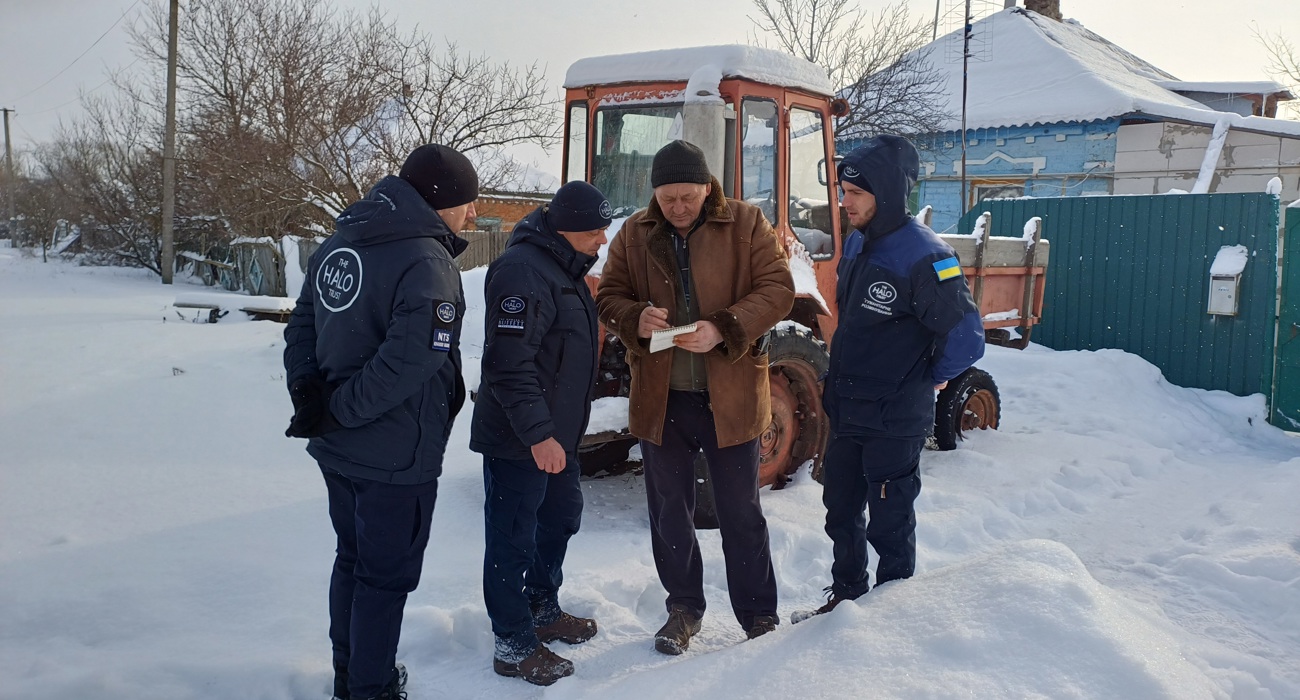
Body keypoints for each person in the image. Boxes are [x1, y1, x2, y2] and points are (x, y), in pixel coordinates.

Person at [282, 143, 477, 700]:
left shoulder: (341, 241)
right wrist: (335, 409)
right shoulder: (425, 259)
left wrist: (312, 397)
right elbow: (412, 359)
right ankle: (370, 689)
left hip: (339, 449)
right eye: (465, 201)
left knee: (353, 560)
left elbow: (302, 325)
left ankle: (351, 677)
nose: (471, 213)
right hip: (394, 456)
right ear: (439, 201)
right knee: (383, 579)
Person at [596, 139, 796, 653]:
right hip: (663, 401)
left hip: (730, 397)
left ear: (708, 188)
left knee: (740, 512)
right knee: (669, 513)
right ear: (654, 195)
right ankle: (683, 609)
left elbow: (778, 290)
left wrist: (724, 327)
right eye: (668, 199)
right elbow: (608, 295)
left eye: (687, 196)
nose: (678, 207)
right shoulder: (634, 232)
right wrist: (633, 317)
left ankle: (758, 615)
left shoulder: (748, 224)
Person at [793, 135, 985, 623]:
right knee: (841, 511)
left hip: (895, 417)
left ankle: (893, 623)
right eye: (843, 191)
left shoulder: (926, 255)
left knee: (890, 523)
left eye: (856, 193)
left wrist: (928, 379)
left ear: (887, 194)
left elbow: (966, 338)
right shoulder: (857, 242)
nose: (845, 202)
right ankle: (848, 598)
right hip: (851, 407)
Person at [469, 181, 612, 685]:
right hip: (520, 438)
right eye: (595, 230)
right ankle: (512, 641)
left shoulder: (565, 268)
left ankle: (541, 607)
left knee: (559, 519)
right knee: (512, 538)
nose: (602, 238)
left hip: (557, 436)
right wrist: (538, 435)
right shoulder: (523, 271)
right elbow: (509, 365)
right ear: (568, 229)